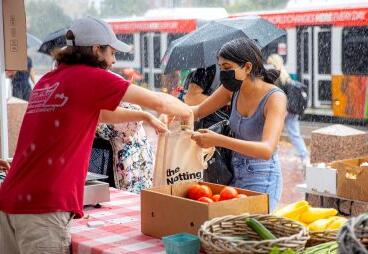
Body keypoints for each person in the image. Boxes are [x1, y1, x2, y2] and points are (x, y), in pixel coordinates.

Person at [0, 16, 191, 254]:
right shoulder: (92, 77)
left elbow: (102, 114)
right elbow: (160, 101)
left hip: (9, 201)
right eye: (111, 52)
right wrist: (189, 112)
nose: (113, 61)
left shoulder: (49, 80)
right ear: (95, 50)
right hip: (44, 207)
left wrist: (143, 117)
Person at [191, 38, 287, 211]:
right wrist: (168, 113)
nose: (223, 73)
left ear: (248, 67)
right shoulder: (231, 89)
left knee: (249, 232)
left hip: (263, 177)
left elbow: (266, 150)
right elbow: (197, 111)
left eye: (227, 68)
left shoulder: (275, 98)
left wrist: (217, 140)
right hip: (233, 173)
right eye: (220, 68)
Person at [96, 102, 155, 193]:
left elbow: (105, 131)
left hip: (130, 167)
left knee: (131, 197)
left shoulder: (130, 109)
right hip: (134, 163)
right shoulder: (129, 109)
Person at [266, 54, 310, 168]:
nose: (268, 66)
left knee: (286, 133)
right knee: (293, 133)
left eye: (270, 63)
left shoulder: (277, 76)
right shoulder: (285, 74)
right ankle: (303, 154)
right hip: (291, 109)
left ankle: (304, 155)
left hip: (285, 110)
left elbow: (281, 96)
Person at [183, 65, 230, 129]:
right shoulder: (209, 69)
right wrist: (224, 99)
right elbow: (191, 99)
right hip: (206, 129)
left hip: (219, 129)